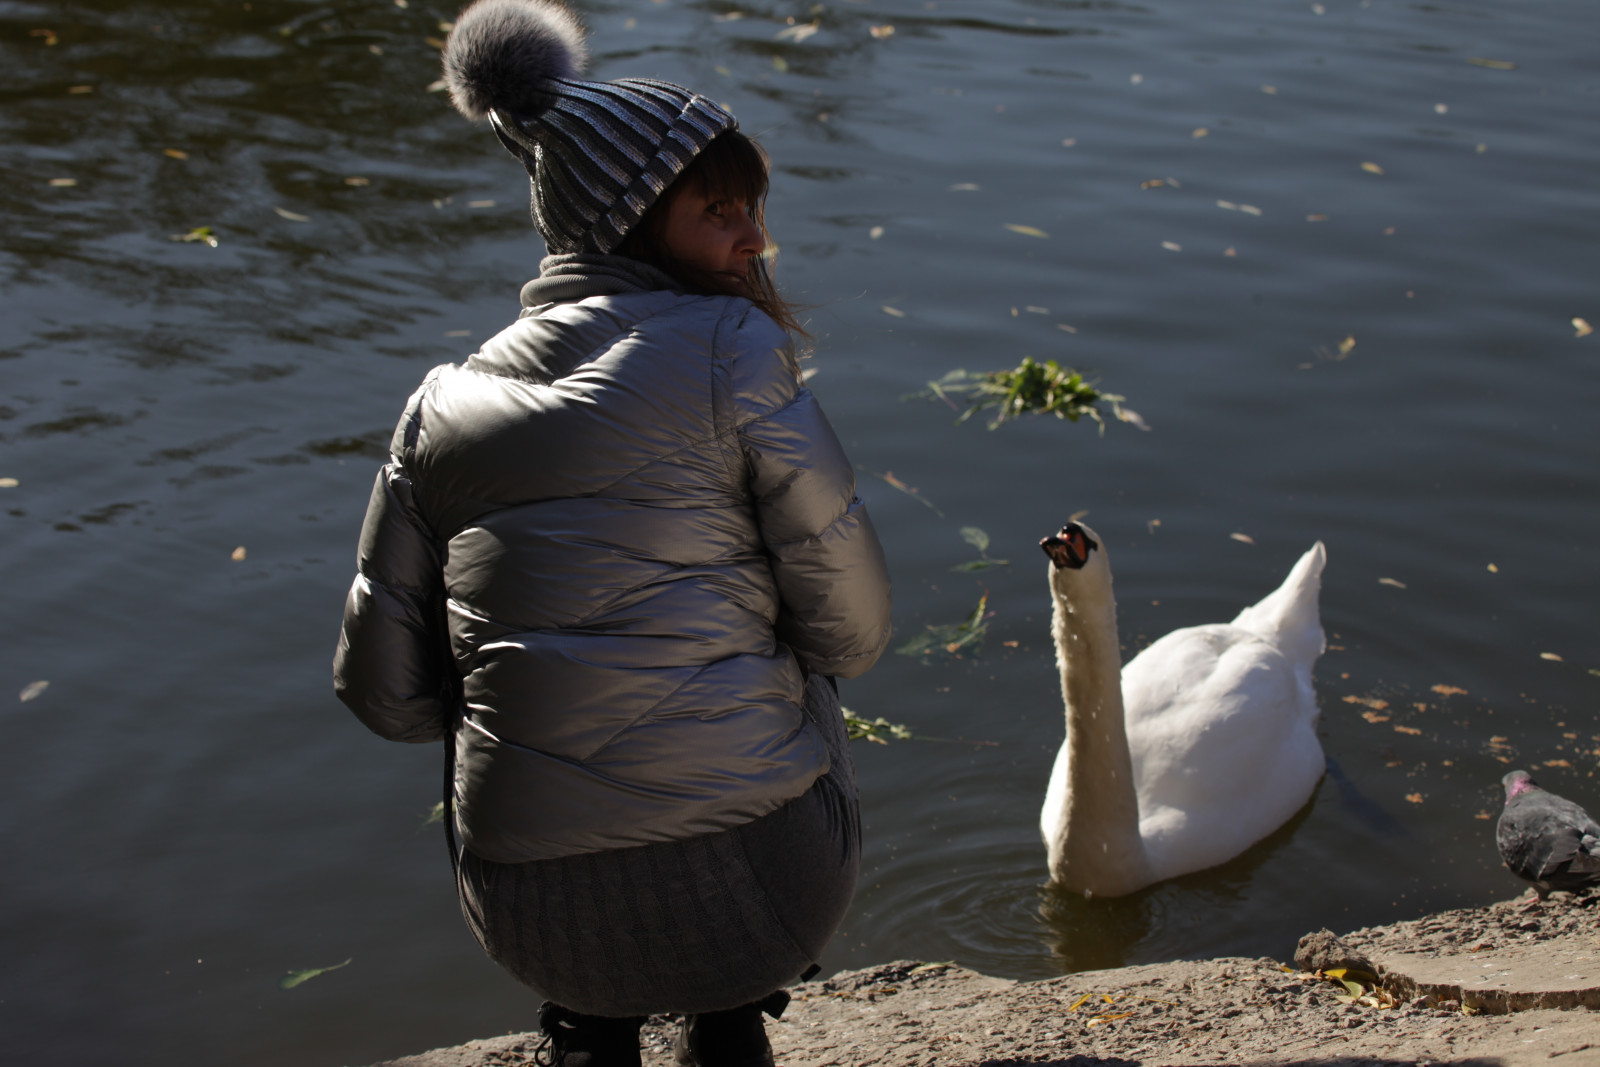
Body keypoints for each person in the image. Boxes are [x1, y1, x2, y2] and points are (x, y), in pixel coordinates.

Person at [332, 1, 893, 1064]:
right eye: (718, 211)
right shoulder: (732, 345)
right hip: (758, 890)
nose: (754, 238)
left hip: (532, 918)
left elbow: (388, 697)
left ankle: (591, 1032)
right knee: (809, 668)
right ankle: (729, 1025)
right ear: (630, 219)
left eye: (750, 209)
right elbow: (854, 631)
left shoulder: (436, 404)